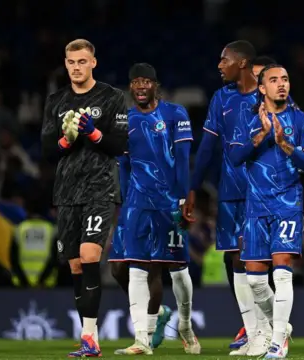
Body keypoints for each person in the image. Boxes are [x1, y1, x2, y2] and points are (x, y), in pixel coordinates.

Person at [40, 38, 128, 358]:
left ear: (93, 63)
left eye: (82, 62)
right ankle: (87, 337)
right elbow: (48, 150)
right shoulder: (56, 100)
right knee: (75, 265)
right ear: (66, 64)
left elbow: (119, 144)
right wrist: (67, 139)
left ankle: (90, 339)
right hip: (66, 190)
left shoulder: (112, 97)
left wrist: (93, 133)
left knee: (90, 256)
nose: (77, 67)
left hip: (99, 187)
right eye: (71, 62)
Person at [182, 40, 267, 353]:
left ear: (242, 63)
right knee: (236, 258)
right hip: (230, 191)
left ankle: (272, 326)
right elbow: (206, 148)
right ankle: (254, 330)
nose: (219, 65)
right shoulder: (221, 99)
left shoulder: (266, 94)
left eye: (224, 60)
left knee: (259, 258)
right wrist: (193, 187)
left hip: (263, 189)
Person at [230, 64, 304, 358]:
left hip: (288, 204)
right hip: (256, 207)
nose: (281, 84)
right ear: (262, 88)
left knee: (282, 273)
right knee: (255, 280)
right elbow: (234, 157)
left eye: (285, 79)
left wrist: (285, 143)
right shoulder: (248, 119)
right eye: (274, 80)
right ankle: (278, 326)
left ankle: (277, 342)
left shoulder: (302, 120)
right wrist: (263, 136)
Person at [113, 63, 200, 355]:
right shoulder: (126, 120)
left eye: (145, 81)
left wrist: (183, 200)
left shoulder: (175, 114)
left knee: (178, 270)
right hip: (138, 203)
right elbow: (124, 166)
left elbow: (184, 158)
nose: (140, 86)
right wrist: (125, 203)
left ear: (155, 85)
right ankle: (142, 339)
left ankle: (185, 325)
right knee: (136, 268)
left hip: (169, 203)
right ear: (130, 87)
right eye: (135, 81)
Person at [107, 152, 172, 351]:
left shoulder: (150, 126)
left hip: (153, 203)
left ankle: (146, 336)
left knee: (151, 270)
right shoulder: (121, 131)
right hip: (128, 206)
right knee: (117, 269)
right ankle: (158, 311)